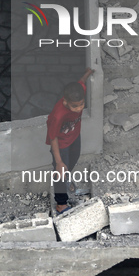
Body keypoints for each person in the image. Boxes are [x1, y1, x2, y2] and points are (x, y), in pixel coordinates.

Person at [46, 67, 95, 215]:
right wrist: (59, 162)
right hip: (61, 145)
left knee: (72, 162)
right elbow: (53, 138)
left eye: (81, 104)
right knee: (60, 171)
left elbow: (81, 82)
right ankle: (61, 203)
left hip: (74, 136)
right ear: (66, 102)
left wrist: (88, 72)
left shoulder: (78, 92)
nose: (79, 108)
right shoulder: (58, 114)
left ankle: (66, 177)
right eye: (75, 106)